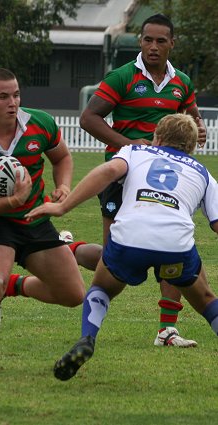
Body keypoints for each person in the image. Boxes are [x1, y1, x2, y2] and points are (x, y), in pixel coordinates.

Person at [25, 113, 218, 381]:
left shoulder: (135, 151)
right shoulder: (203, 173)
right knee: (206, 300)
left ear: (157, 138)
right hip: (176, 246)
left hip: (130, 237)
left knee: (102, 289)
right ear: (192, 147)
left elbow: (108, 171)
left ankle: (87, 338)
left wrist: (62, 207)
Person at [0, 67, 86, 379]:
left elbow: (61, 157)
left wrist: (62, 186)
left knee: (74, 294)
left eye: (17, 94)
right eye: (3, 96)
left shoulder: (41, 123)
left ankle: (12, 287)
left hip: (35, 219)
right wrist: (11, 202)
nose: (13, 102)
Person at [79, 13, 207, 347]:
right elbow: (89, 118)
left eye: (160, 41)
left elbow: (193, 120)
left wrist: (200, 127)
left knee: (171, 248)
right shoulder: (123, 77)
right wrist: (131, 146)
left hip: (165, 180)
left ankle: (167, 329)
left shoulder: (182, 82)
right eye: (147, 40)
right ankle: (68, 249)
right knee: (111, 256)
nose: (153, 46)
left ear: (171, 44)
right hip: (122, 175)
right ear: (140, 42)